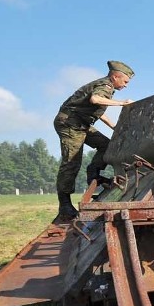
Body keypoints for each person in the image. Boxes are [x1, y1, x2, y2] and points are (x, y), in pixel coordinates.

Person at [53, 60, 136, 224]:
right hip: (71, 123)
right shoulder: (105, 85)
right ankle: (65, 206)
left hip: (81, 123)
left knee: (107, 145)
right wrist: (122, 103)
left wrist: (114, 127)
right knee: (71, 162)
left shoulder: (107, 88)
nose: (126, 85)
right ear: (115, 76)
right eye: (125, 81)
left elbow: (97, 111)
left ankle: (93, 174)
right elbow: (95, 99)